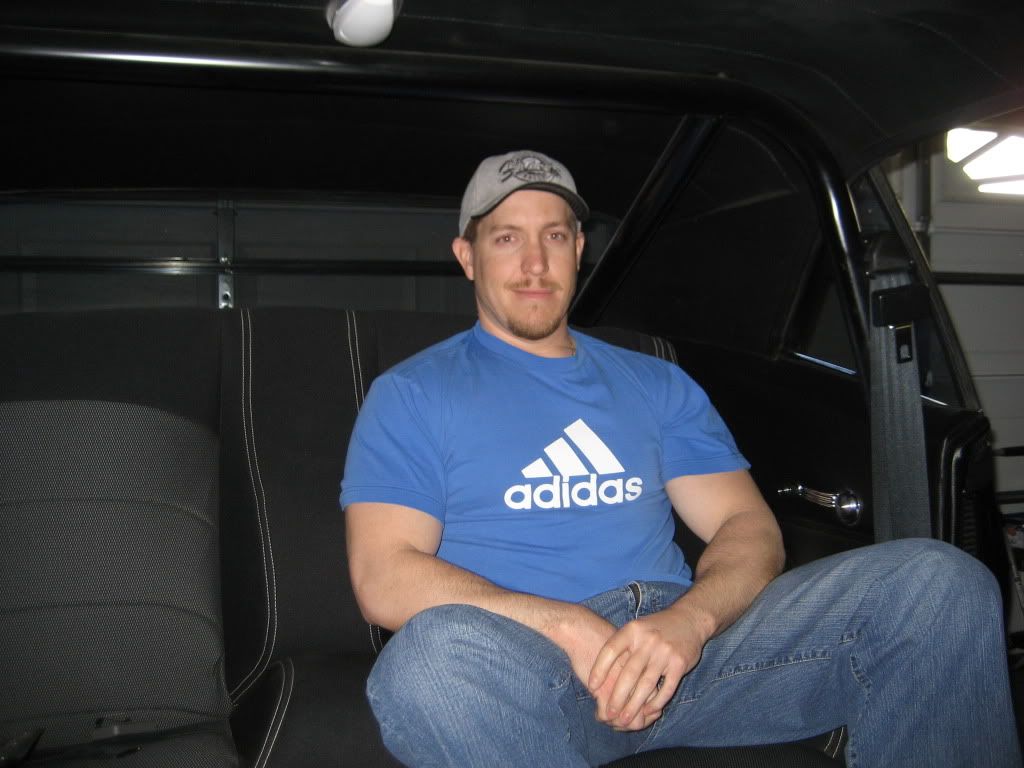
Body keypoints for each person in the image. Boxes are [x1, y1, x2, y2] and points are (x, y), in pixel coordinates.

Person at [341, 150, 1021, 767]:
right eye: (506, 238)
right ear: (466, 256)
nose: (535, 264)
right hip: (534, 668)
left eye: (554, 236)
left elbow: (746, 527)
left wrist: (690, 623)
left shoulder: (655, 382)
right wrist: (566, 624)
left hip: (690, 655)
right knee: (428, 662)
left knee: (938, 581)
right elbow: (385, 575)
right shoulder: (414, 394)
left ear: (579, 248)